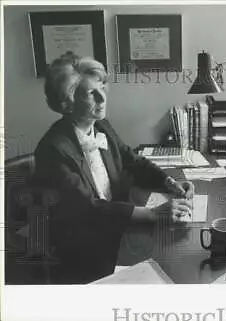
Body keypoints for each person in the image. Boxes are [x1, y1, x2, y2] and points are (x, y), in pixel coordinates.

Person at [33, 51, 194, 283]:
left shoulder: (102, 126)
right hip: (81, 248)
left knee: (176, 258)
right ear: (67, 103)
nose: (102, 98)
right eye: (91, 93)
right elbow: (86, 208)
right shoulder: (53, 149)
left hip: (117, 226)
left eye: (102, 88)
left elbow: (133, 161)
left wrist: (169, 182)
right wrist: (152, 213)